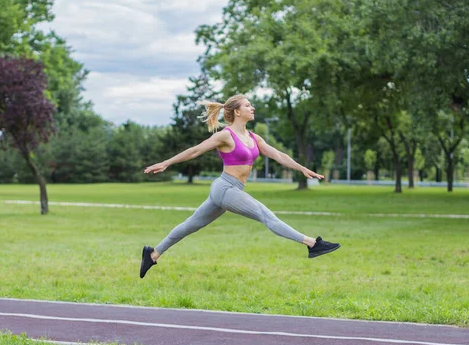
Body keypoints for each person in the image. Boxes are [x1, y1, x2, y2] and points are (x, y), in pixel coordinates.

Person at [140, 94, 340, 278]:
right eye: (247, 105)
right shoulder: (225, 136)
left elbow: (278, 155)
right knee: (265, 215)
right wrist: (166, 162)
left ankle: (153, 254)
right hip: (225, 189)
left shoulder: (253, 137)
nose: (252, 108)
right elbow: (195, 151)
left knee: (190, 225)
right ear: (237, 111)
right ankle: (312, 244)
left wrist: (302, 168)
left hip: (231, 190)